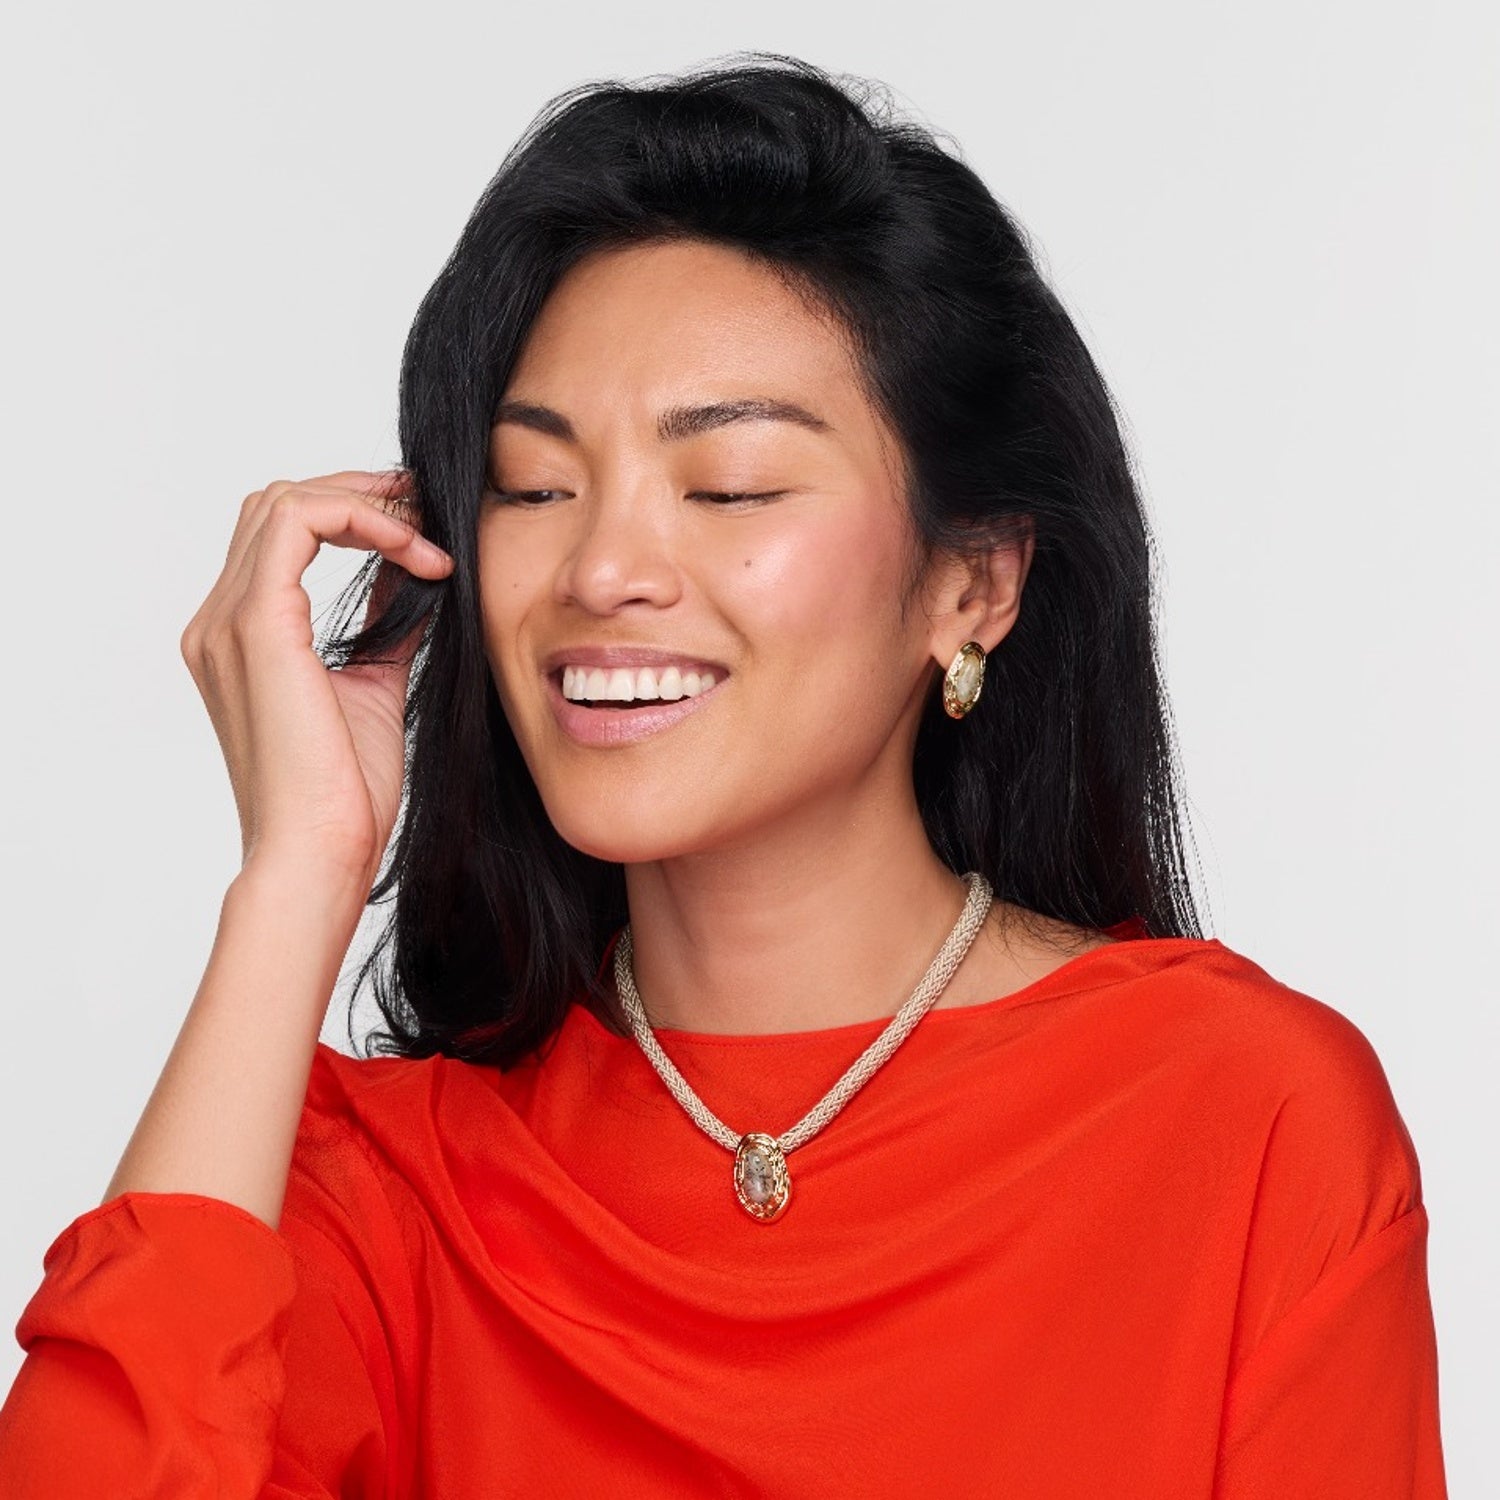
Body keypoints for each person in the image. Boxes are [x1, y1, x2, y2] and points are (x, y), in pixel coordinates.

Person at [0, 51, 1446, 1498]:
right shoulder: (379, 1189)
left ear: (973, 583)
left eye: (731, 487)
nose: (604, 569)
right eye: (535, 487)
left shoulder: (1243, 1122)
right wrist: (296, 875)